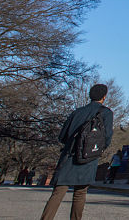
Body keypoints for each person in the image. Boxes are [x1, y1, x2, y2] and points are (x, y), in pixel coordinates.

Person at [40, 83, 114, 220]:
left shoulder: (77, 112)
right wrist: (98, 150)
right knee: (80, 193)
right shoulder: (106, 113)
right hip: (89, 156)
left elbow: (62, 136)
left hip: (70, 155)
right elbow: (107, 137)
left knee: (58, 192)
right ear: (104, 97)